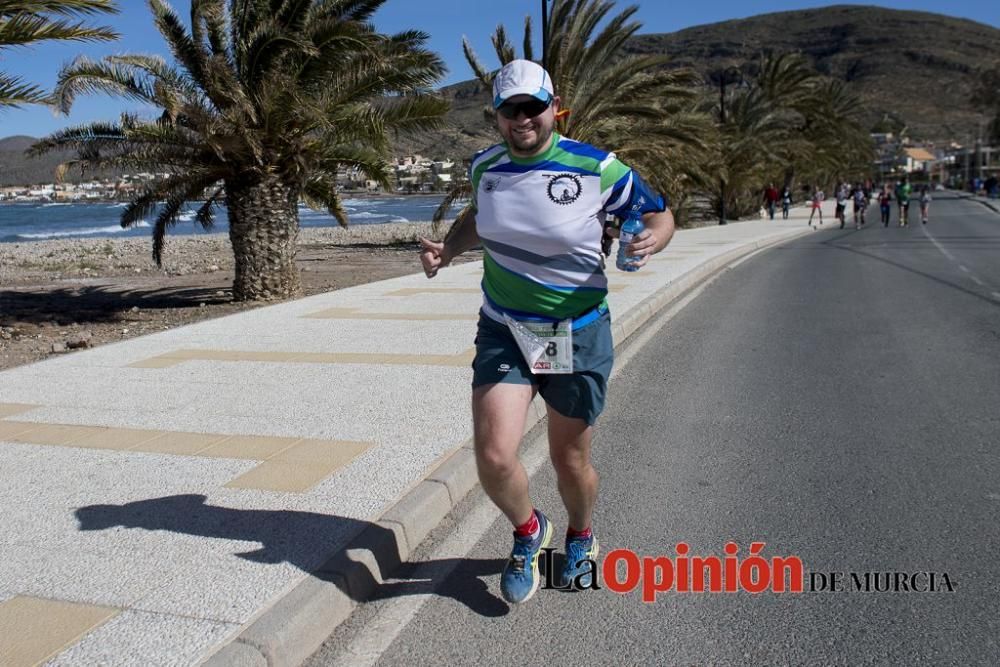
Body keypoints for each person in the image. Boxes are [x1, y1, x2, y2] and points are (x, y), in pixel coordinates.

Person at [419, 60, 674, 605]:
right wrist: (448, 248)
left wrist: (654, 239)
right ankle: (529, 531)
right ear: (497, 117)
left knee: (569, 460)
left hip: (572, 331)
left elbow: (659, 214)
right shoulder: (485, 166)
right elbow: (476, 216)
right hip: (505, 326)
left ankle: (581, 534)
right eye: (509, 109)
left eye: (532, 107)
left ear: (554, 108)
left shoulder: (596, 168)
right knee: (493, 456)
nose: (522, 119)